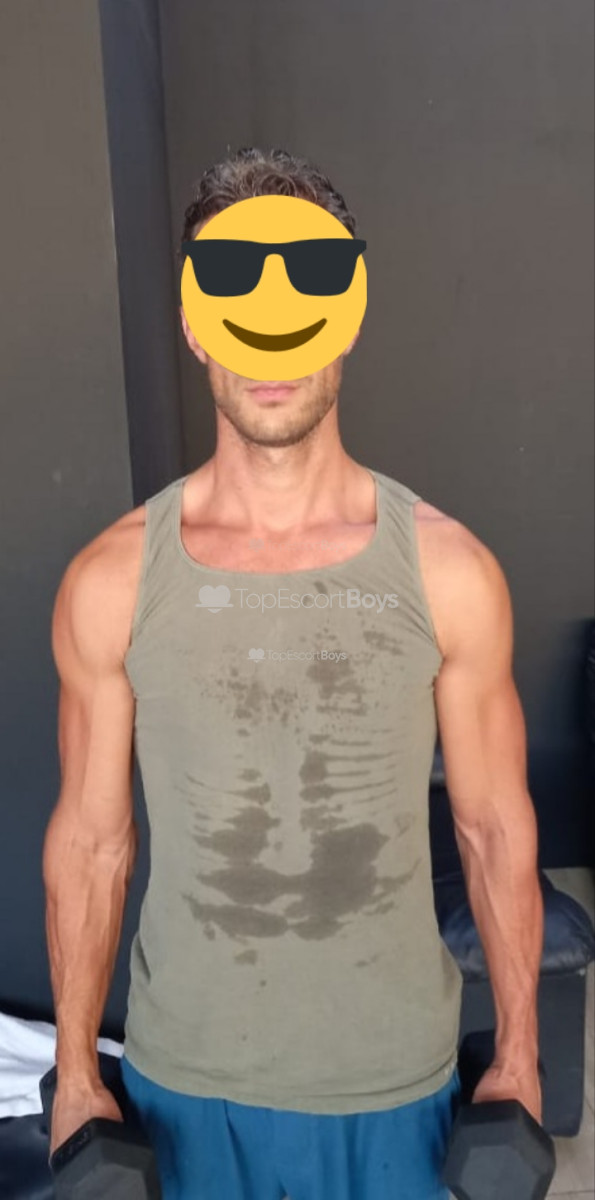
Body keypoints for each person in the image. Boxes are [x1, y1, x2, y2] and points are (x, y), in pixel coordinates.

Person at [42, 147, 545, 1200]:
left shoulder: (449, 572)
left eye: (309, 278)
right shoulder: (111, 579)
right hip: (185, 1084)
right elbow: (90, 844)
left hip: (393, 1081)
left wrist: (519, 1056)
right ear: (194, 322)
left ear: (349, 312)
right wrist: (78, 1076)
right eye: (232, 283)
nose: (270, 329)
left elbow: (493, 827)